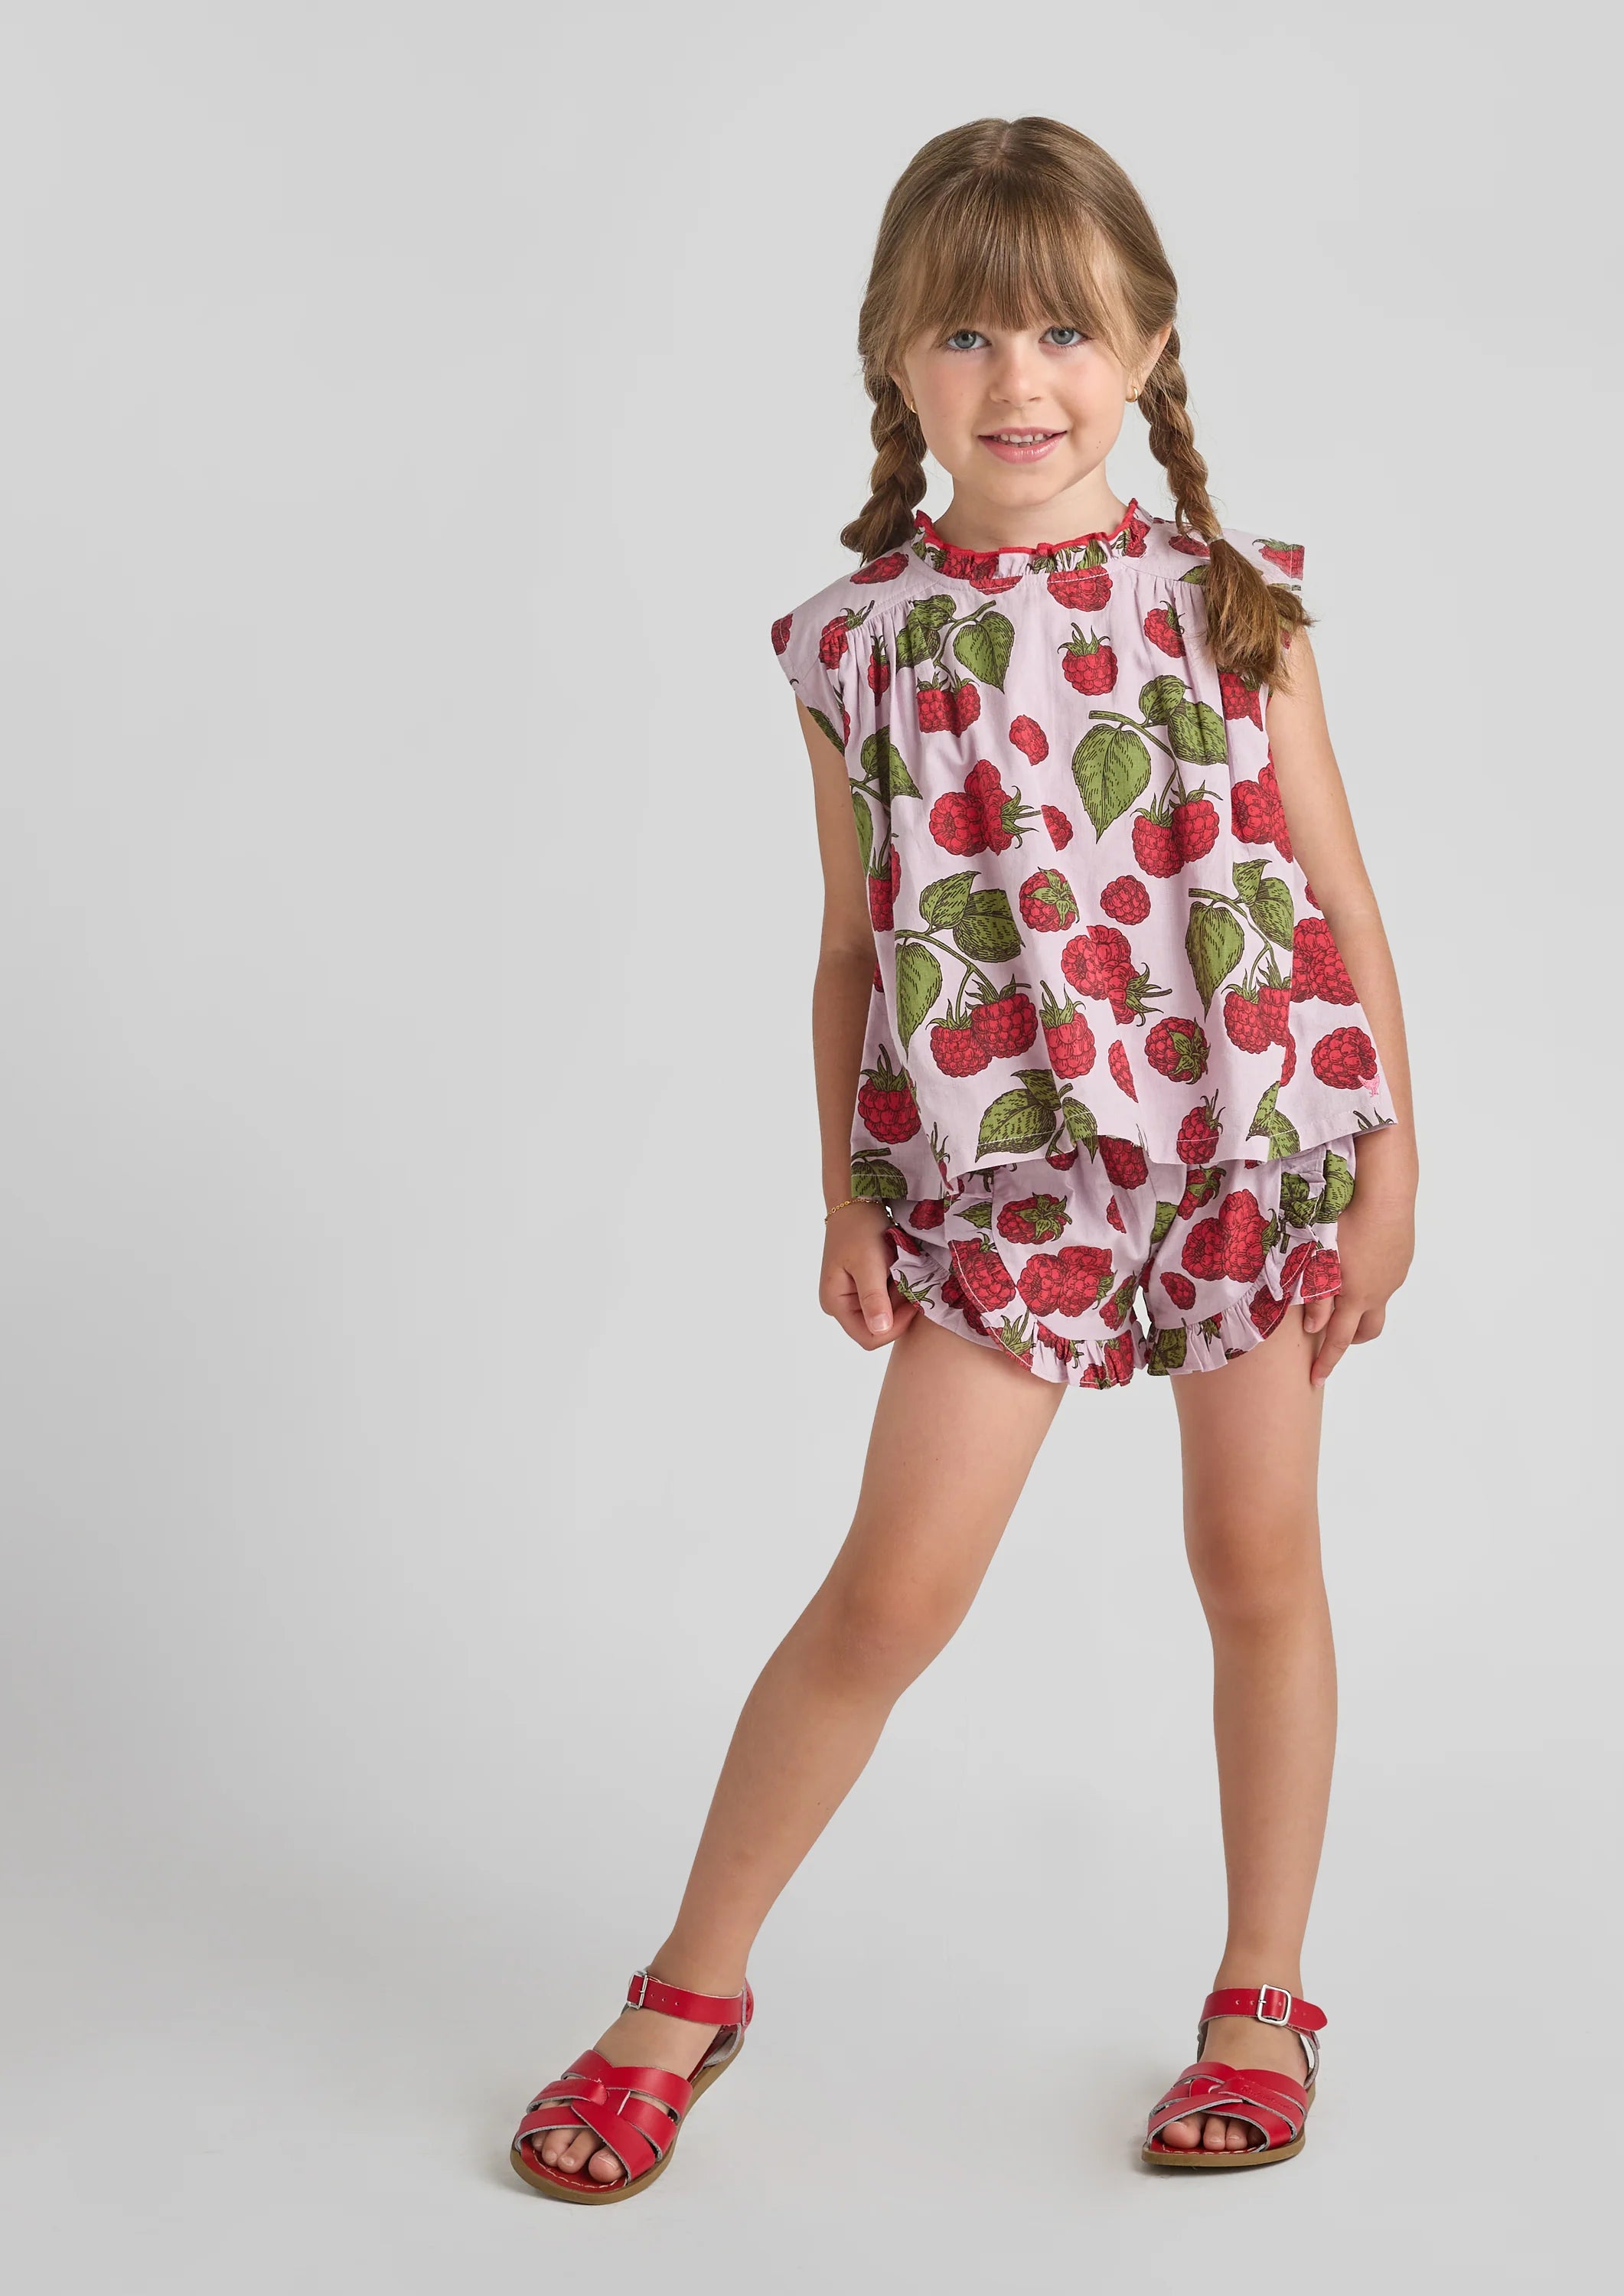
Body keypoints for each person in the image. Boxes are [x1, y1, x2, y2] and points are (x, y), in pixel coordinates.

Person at [510, 114, 1420, 2202]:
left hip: (1247, 1150)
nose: (1022, 381)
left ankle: (1263, 1994)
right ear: (894, 362)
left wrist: (1392, 1165)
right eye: (968, 335)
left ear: (1148, 347)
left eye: (1066, 333)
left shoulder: (1236, 604)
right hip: (1007, 1180)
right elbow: (852, 944)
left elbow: (1341, 894)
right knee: (891, 1592)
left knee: (1257, 1566)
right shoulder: (855, 646)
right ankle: (688, 1989)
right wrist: (849, 1191)